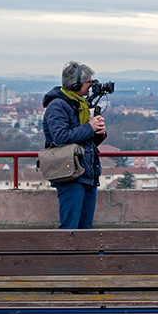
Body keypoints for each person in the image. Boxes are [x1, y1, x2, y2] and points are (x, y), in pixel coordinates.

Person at [42, 61, 107, 229]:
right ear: (76, 83)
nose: (91, 86)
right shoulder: (57, 105)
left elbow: (84, 141)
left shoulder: (80, 104)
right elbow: (60, 137)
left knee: (85, 229)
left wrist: (98, 133)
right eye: (88, 82)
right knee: (70, 227)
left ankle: (83, 256)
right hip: (70, 174)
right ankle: (66, 255)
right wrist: (89, 127)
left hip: (87, 173)